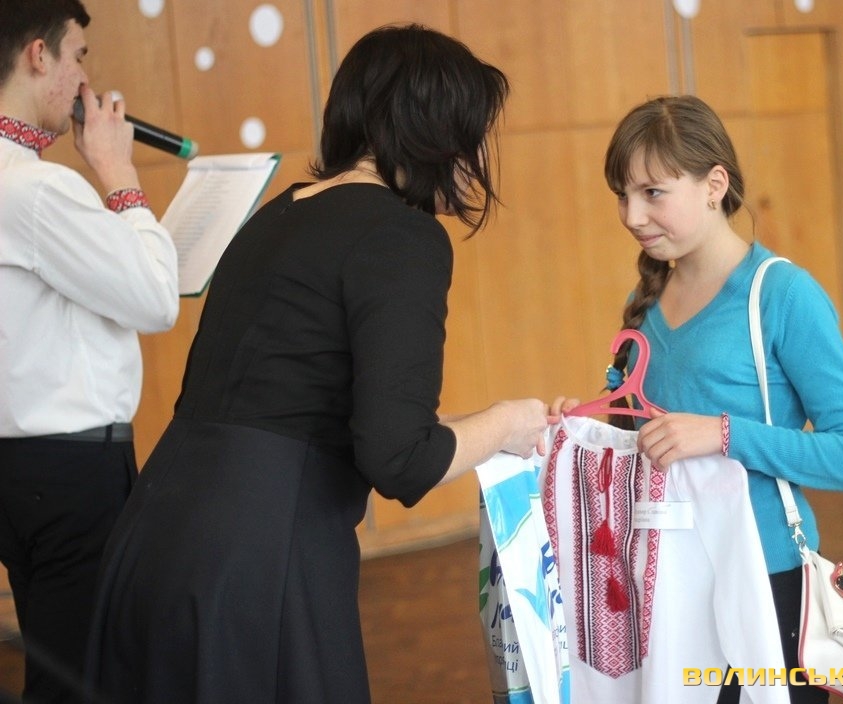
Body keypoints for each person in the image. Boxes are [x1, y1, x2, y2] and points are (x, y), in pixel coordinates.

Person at [83, 23, 552, 704]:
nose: (478, 153)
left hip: (155, 532)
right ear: (435, 129)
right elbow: (402, 459)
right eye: (474, 131)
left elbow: (330, 415)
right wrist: (509, 420)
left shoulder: (281, 213)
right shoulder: (403, 236)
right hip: (260, 555)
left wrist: (495, 427)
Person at [595, 95, 843, 703]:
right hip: (667, 579)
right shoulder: (646, 301)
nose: (632, 215)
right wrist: (583, 421)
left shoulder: (783, 295)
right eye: (623, 195)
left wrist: (723, 434)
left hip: (767, 580)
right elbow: (635, 430)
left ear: (714, 185)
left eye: (652, 192)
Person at [0, 1, 179, 701]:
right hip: (71, 474)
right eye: (78, 56)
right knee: (85, 680)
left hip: (20, 469)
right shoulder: (36, 190)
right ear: (38, 54)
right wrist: (116, 171)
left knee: (65, 669)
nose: (85, 81)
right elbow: (156, 299)